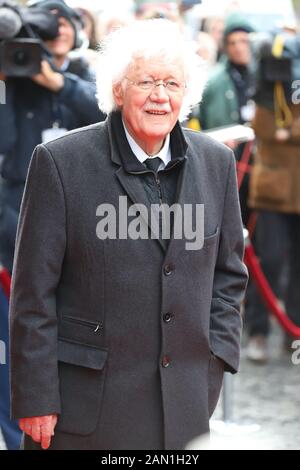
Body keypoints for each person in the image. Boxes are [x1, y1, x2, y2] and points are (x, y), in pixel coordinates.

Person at [10, 19, 248, 451]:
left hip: (184, 410)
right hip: (87, 411)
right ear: (118, 90)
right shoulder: (60, 163)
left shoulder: (217, 164)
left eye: (172, 83)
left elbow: (229, 276)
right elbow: (32, 294)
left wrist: (216, 361)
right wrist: (36, 396)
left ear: (187, 94)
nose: (161, 96)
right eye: (147, 81)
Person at [0, 0, 105, 272]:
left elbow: (106, 113)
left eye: (63, 24)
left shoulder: (86, 74)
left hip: (78, 196)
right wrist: (3, 82)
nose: (57, 31)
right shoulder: (13, 80)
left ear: (75, 30)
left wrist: (60, 84)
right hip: (21, 197)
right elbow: (3, 138)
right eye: (48, 25)